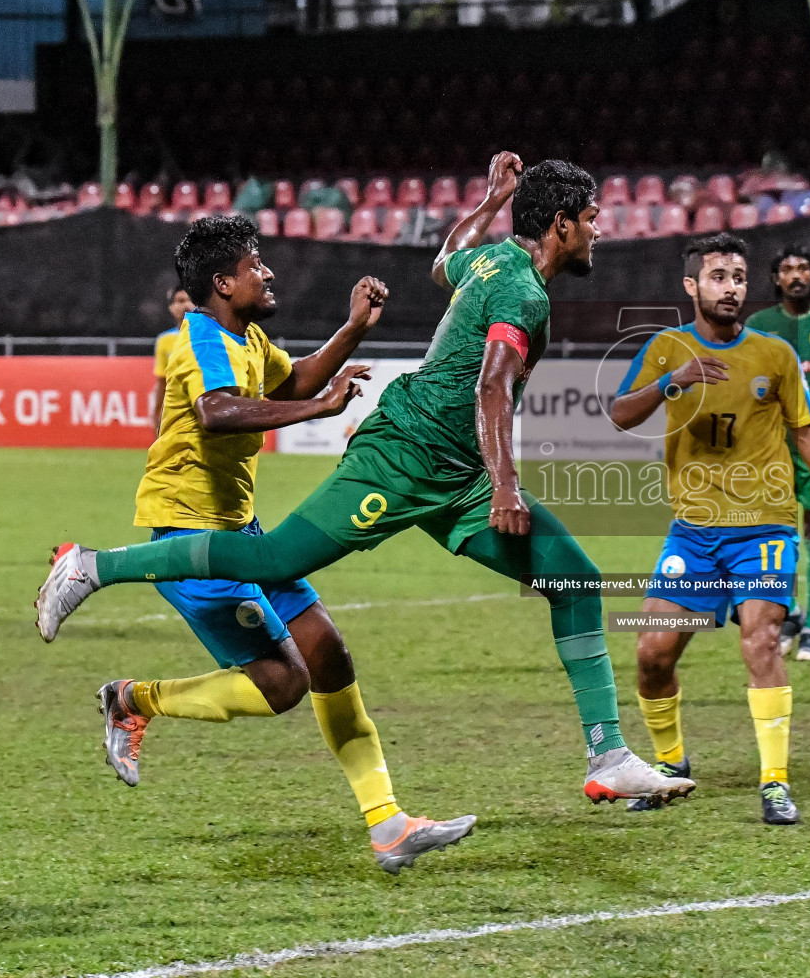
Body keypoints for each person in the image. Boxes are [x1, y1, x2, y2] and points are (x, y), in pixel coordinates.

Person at [36, 153, 695, 811]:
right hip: (407, 456)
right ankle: (94, 567)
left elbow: (445, 258)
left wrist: (493, 199)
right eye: (590, 219)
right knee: (274, 560)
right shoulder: (520, 292)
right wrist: (506, 487)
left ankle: (608, 756)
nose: (598, 231)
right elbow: (492, 385)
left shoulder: (492, 260)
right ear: (560, 224)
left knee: (573, 581)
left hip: (456, 473)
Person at [45, 215, 473, 872]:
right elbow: (217, 412)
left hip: (241, 531)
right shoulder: (200, 338)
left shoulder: (245, 336)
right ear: (222, 282)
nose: (266, 272)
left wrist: (352, 330)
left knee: (328, 652)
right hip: (190, 532)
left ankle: (389, 825)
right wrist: (320, 410)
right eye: (255, 264)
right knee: (282, 682)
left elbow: (292, 380)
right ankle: (132, 699)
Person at [610, 232, 810, 824]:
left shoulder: (774, 354)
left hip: (764, 527)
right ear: (691, 286)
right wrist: (675, 381)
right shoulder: (666, 348)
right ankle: (671, 767)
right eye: (718, 277)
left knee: (759, 640)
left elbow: (808, 434)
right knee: (652, 654)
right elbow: (621, 415)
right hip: (694, 531)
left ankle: (774, 782)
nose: (731, 288)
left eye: (738, 278)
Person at [745, 244, 810, 661]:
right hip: (770, 450)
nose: (795, 275)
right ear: (775, 278)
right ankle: (788, 614)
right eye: (787, 269)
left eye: (803, 268)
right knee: (774, 536)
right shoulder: (758, 325)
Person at [151, 285, 196, 432]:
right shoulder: (164, 340)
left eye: (191, 300)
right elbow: (162, 381)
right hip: (177, 411)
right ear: (171, 307)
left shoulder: (214, 336)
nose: (186, 305)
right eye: (180, 300)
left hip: (205, 407)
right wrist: (156, 411)